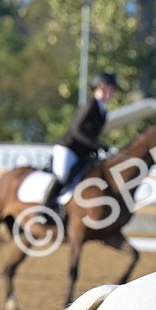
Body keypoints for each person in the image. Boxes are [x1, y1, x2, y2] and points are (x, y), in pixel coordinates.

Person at [44, 72, 120, 215]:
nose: (114, 92)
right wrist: (96, 144)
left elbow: (93, 135)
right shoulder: (91, 105)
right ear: (101, 86)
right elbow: (76, 129)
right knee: (62, 176)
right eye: (112, 88)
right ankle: (45, 209)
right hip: (68, 148)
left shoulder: (103, 111)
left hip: (83, 152)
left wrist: (100, 147)